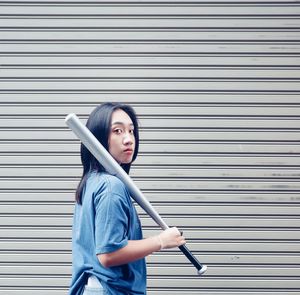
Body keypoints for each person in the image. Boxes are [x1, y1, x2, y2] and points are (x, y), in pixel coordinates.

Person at [69, 102, 186, 295]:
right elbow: (108, 253)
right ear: (97, 137)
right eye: (117, 131)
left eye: (131, 131)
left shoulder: (92, 181)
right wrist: (161, 241)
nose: (128, 139)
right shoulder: (110, 186)